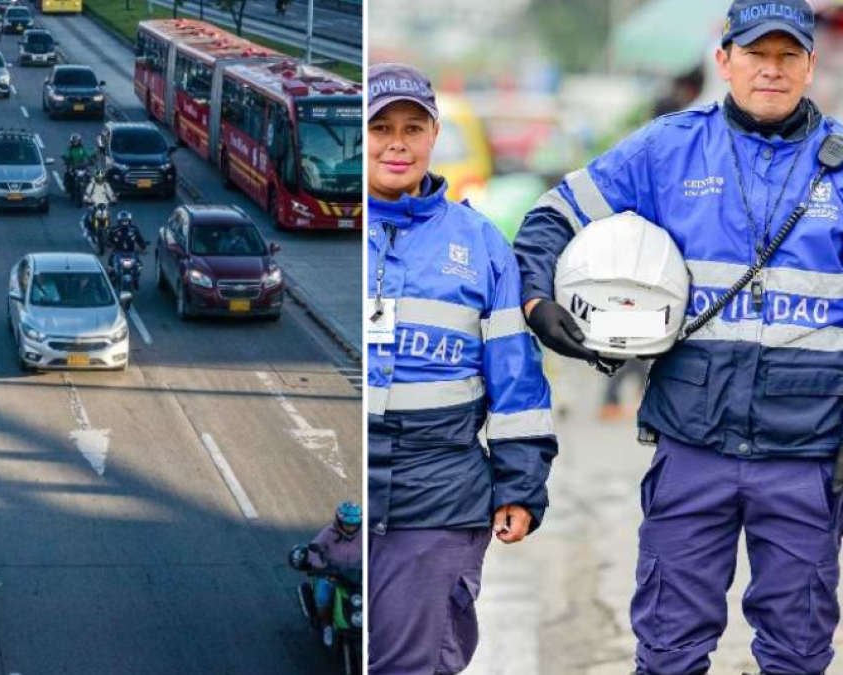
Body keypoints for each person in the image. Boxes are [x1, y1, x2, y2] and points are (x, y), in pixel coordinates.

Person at [512, 2, 843, 673]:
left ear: (811, 65)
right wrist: (539, 303)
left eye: (787, 56)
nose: (771, 70)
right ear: (723, 60)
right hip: (693, 444)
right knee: (668, 649)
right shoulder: (666, 148)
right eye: (756, 54)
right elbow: (551, 216)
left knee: (800, 653)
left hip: (808, 456)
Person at [366, 63, 557, 675]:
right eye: (381, 127)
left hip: (441, 496)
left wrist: (521, 486)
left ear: (434, 134)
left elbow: (517, 383)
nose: (397, 142)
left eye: (412, 128)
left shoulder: (479, 244)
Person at [304, 501, 361, 646]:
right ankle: (327, 626)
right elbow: (313, 549)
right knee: (323, 598)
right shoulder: (328, 532)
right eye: (347, 524)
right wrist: (320, 566)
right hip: (332, 575)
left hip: (356, 577)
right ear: (339, 522)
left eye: (353, 524)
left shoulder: (364, 535)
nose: (350, 528)